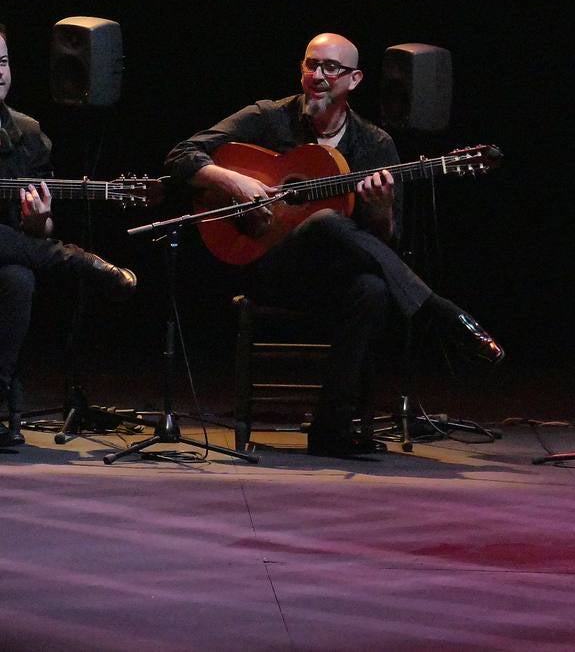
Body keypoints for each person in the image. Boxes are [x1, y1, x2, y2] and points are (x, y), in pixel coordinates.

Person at [164, 32, 503, 458]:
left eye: (331, 68)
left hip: (328, 283)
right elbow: (182, 155)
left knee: (374, 289)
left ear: (355, 79)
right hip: (265, 267)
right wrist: (237, 181)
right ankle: (440, 310)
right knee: (325, 220)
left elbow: (379, 247)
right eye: (311, 64)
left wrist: (379, 211)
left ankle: (329, 428)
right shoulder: (269, 118)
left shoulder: (375, 144)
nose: (318, 75)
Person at [0, 22, 137, 448]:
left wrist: (39, 219)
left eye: (1, 62)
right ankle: (80, 261)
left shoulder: (27, 133)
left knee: (17, 279)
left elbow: (36, 230)